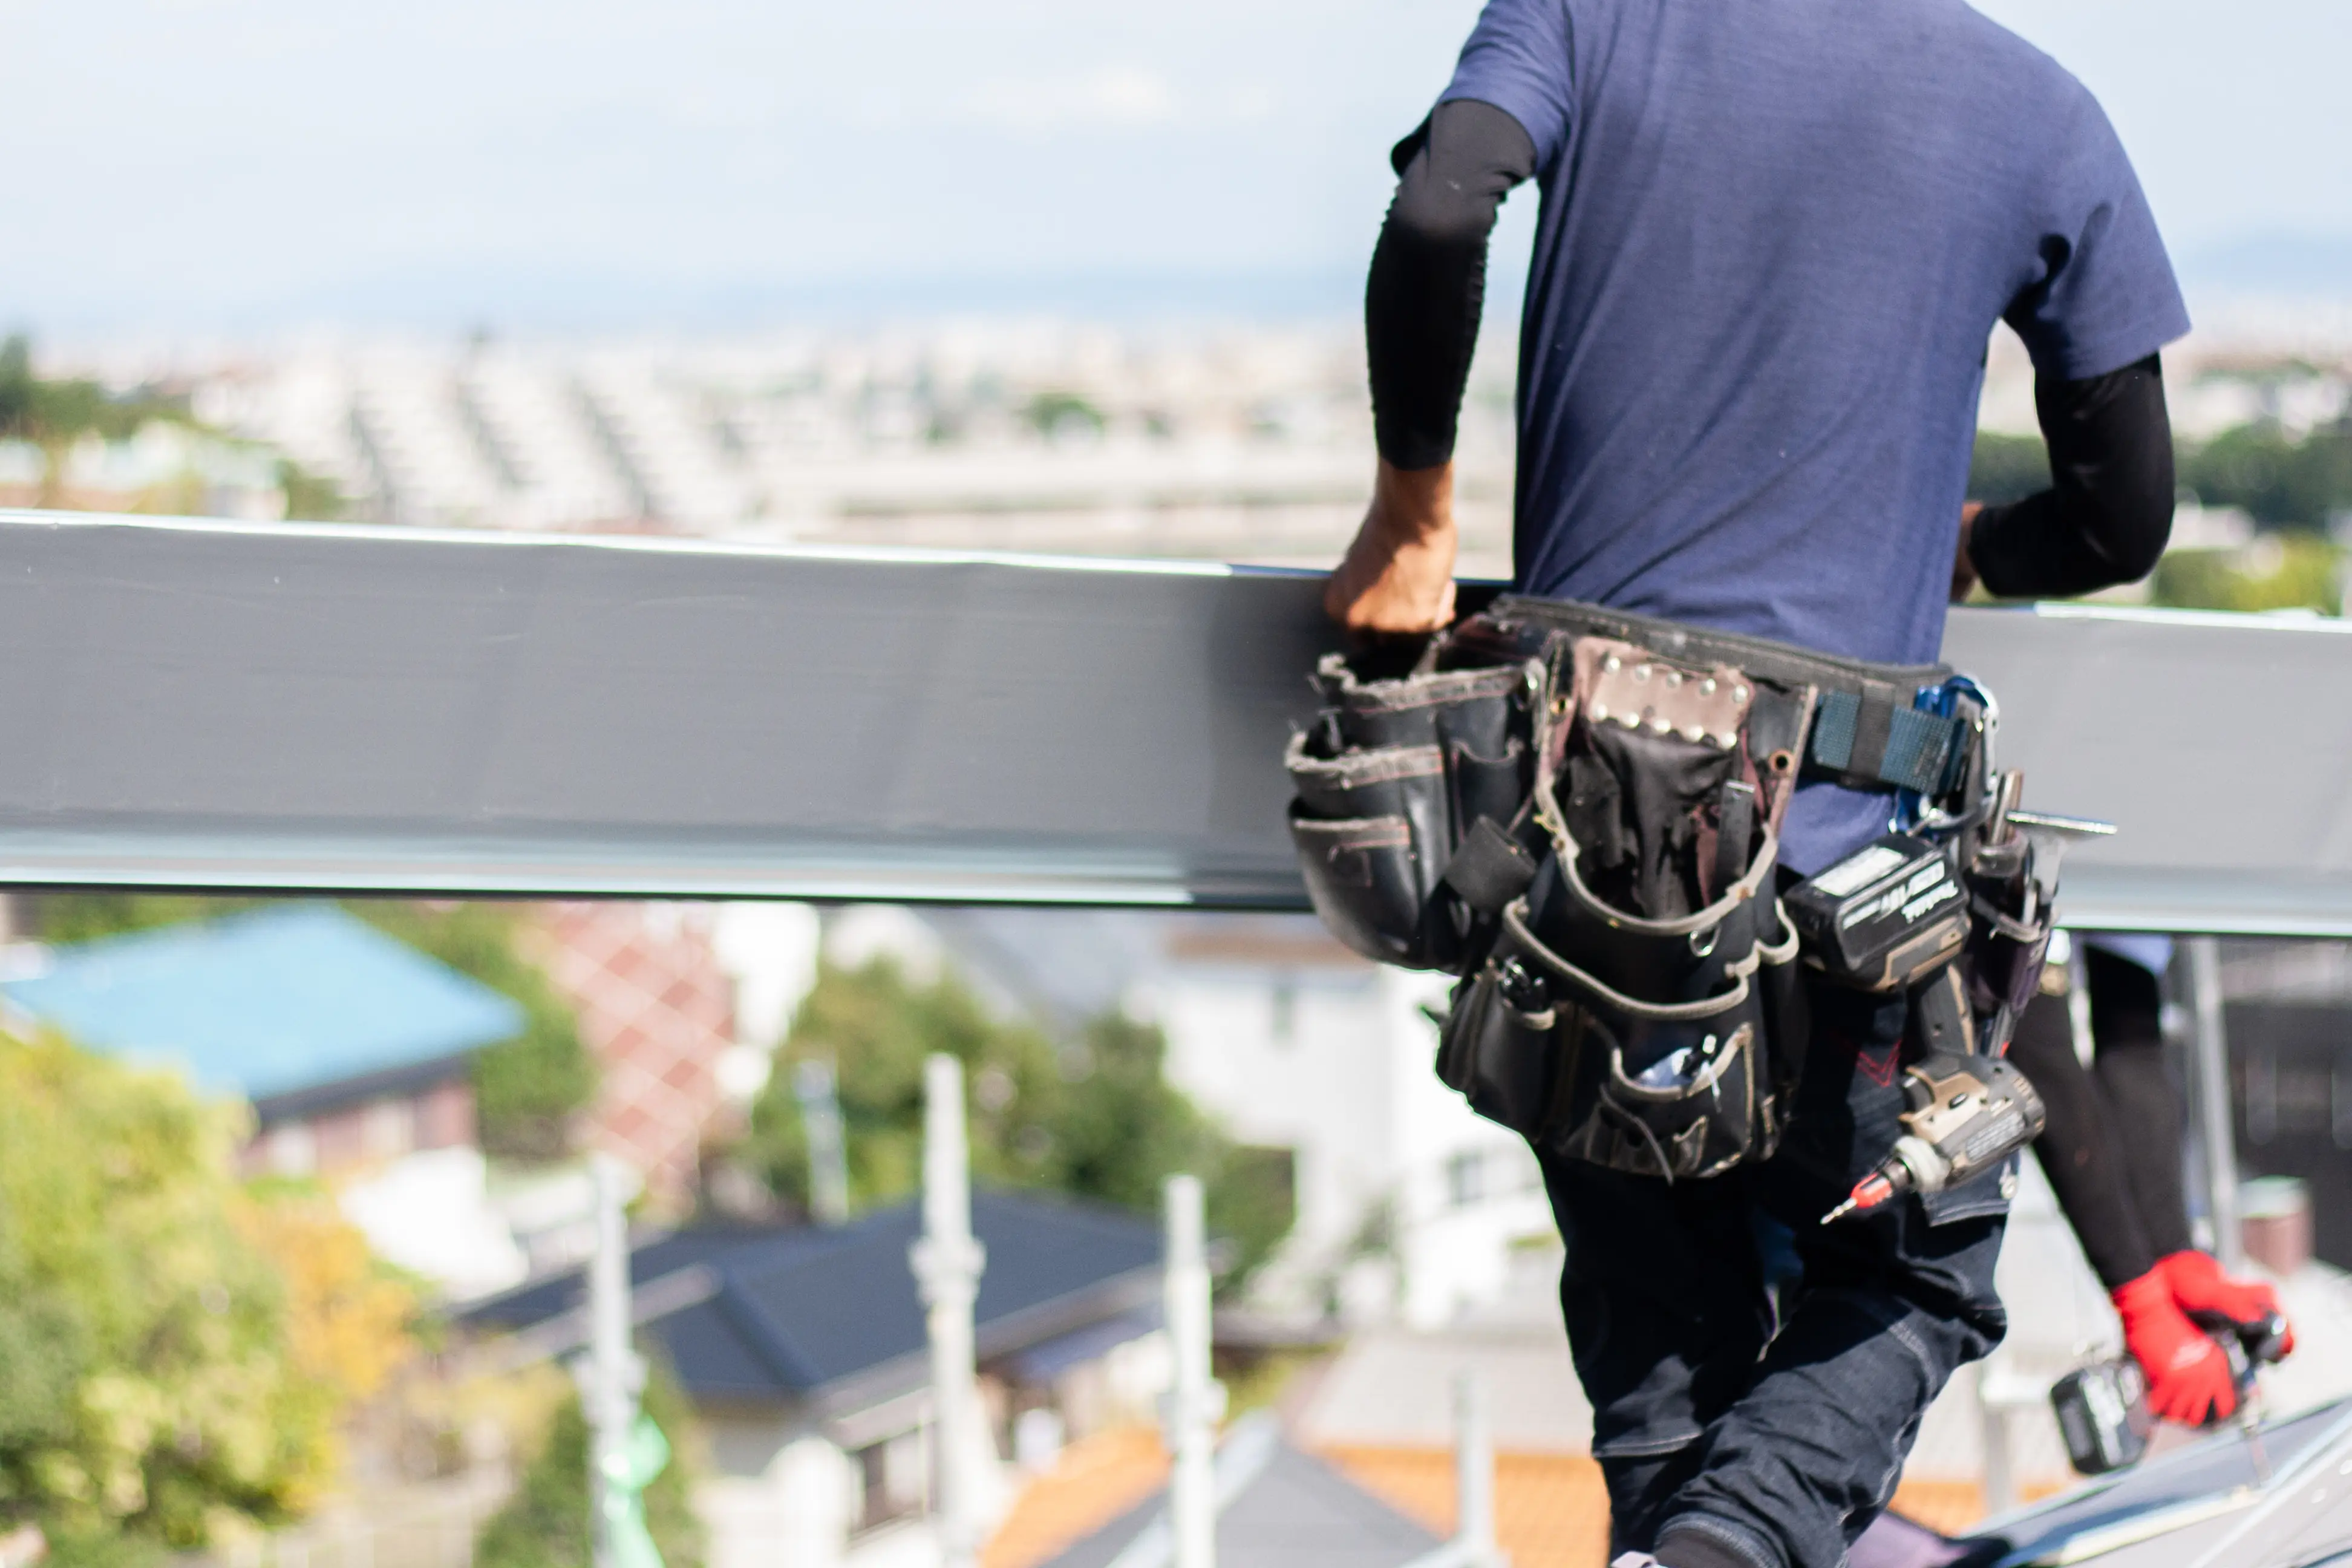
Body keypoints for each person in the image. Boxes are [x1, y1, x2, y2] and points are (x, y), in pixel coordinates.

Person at [1323, 2, 2186, 1564]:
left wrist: (1412, 513)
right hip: (1838, 842)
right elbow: (2124, 524)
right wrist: (1970, 547)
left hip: (1568, 823)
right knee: (1922, 1271)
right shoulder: (2036, 108)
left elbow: (1445, 205)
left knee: (1666, 1330)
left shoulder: (1589, 17)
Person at [2005, 934, 2296, 1427]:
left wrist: (2172, 1254)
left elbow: (2133, 1047)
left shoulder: (2148, 861)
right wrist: (2139, 1296)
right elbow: (2037, 1047)